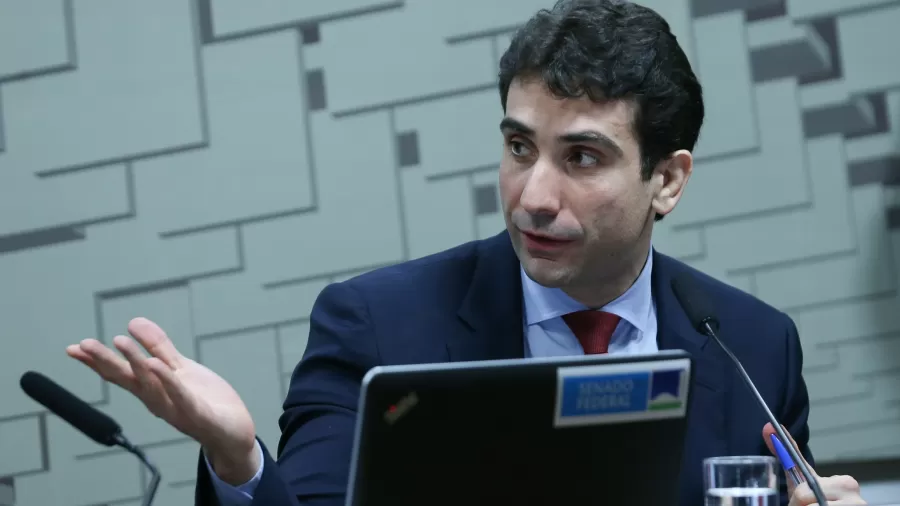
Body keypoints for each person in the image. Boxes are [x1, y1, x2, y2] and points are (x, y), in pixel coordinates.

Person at [66, 1, 867, 505]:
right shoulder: (377, 326)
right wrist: (238, 460)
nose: (533, 195)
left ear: (667, 179)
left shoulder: (755, 345)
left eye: (581, 157)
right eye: (520, 147)